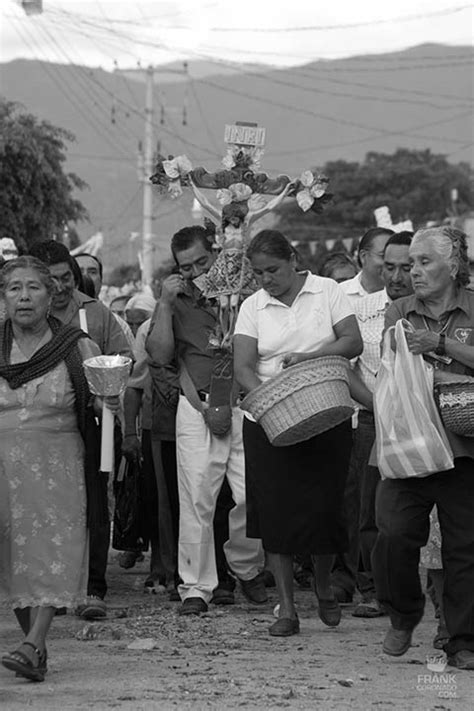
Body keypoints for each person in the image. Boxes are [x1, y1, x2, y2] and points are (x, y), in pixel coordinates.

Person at [234, 229, 363, 637]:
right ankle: (286, 607)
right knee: (276, 513)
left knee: (324, 507)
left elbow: (352, 342)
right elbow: (242, 367)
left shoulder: (327, 291)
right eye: (258, 273)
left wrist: (311, 357)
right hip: (268, 420)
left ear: (293, 259)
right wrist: (270, 403)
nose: (265, 279)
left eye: (272, 270)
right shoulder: (253, 306)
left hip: (326, 409)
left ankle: (324, 585)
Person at [0, 257, 117, 682]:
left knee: (53, 551)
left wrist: (109, 401)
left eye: (33, 288)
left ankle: (33, 643)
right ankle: (35, 648)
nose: (24, 296)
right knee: (13, 558)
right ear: (4, 298)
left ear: (51, 298)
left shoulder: (75, 345)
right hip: (3, 465)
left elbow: (102, 399)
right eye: (14, 288)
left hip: (60, 464)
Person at [146, 225, 265, 616]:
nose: (197, 270)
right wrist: (164, 303)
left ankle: (247, 567)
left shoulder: (248, 295)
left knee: (253, 494)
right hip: (195, 407)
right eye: (187, 266)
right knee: (196, 499)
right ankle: (196, 587)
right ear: (176, 269)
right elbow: (160, 355)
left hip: (245, 405)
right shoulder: (175, 301)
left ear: (217, 253)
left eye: (203, 261)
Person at [372, 226, 474, 670]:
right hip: (408, 447)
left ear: (452, 266)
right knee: (392, 534)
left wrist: (440, 346)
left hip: (463, 448)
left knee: (464, 549)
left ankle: (463, 641)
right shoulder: (398, 310)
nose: (413, 271)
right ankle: (404, 613)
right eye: (410, 263)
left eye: (424, 262)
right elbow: (391, 370)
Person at [28, 240, 132, 621]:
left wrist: (108, 386)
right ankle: (50, 588)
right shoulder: (16, 316)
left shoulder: (96, 313)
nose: (58, 288)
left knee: (92, 502)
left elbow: (125, 359)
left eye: (65, 278)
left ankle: (93, 587)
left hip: (93, 421)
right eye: (48, 280)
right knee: (45, 506)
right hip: (38, 424)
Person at [347, 232, 414, 617]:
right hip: (374, 420)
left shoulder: (429, 310)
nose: (397, 275)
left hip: (429, 421)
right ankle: (374, 589)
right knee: (373, 511)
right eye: (389, 267)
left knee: (424, 509)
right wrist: (382, 405)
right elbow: (347, 369)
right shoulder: (362, 310)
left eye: (407, 267)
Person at [340, 227, 394, 301]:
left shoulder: (405, 294)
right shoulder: (340, 293)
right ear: (363, 256)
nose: (390, 264)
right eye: (383, 256)